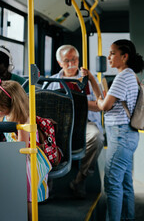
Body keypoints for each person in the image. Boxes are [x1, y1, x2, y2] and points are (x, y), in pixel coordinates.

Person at [44, 45, 104, 198]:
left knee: (97, 138)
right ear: (59, 63)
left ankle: (80, 179)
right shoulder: (51, 81)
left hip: (85, 123)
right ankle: (48, 180)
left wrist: (76, 103)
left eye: (74, 60)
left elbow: (100, 106)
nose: (71, 64)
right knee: (43, 138)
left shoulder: (89, 80)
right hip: (59, 124)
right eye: (66, 61)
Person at [95, 39, 144, 221]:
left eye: (112, 53)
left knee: (112, 184)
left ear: (124, 57)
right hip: (129, 134)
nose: (109, 57)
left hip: (120, 134)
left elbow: (105, 105)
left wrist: (98, 99)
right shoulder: (132, 75)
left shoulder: (122, 76)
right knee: (125, 183)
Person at [0, 80, 51, 220]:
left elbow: (21, 147)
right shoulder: (6, 115)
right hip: (14, 157)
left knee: (27, 194)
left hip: (28, 160)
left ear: (10, 106)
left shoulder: (24, 121)